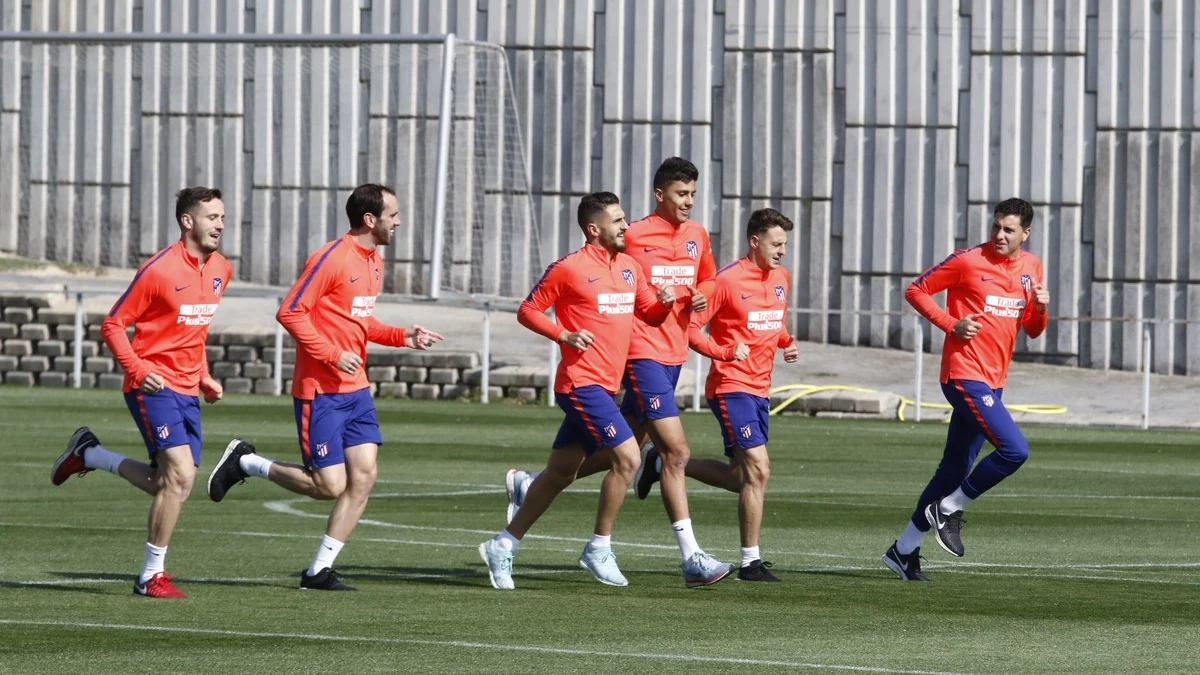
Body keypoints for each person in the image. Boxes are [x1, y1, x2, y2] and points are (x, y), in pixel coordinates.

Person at [504, 157, 735, 588]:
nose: (689, 202)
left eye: (693, 195)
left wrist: (693, 295)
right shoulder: (632, 237)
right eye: (682, 194)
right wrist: (569, 333)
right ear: (660, 194)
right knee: (677, 453)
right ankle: (690, 558)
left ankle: (530, 485)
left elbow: (708, 281)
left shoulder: (697, 235)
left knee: (618, 451)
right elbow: (604, 284)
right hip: (639, 355)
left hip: (673, 352)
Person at [205, 183, 444, 591]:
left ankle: (318, 570)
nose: (399, 222)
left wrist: (403, 334)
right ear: (371, 220)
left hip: (356, 391)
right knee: (329, 486)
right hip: (320, 392)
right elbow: (290, 311)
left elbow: (360, 321)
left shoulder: (373, 261)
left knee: (364, 478)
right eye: (394, 215)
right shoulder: (331, 258)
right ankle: (246, 463)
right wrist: (332, 355)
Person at [479, 191, 674, 590]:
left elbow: (651, 315)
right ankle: (598, 547)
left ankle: (502, 544)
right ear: (594, 228)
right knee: (628, 457)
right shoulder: (568, 268)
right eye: (618, 221)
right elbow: (528, 310)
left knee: (558, 474)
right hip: (580, 384)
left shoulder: (630, 268)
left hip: (607, 385)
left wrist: (667, 304)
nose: (625, 226)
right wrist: (563, 333)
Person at [50, 186, 233, 599]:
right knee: (182, 475)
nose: (220, 224)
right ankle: (150, 577)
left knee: (168, 484)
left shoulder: (222, 267)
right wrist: (137, 368)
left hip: (187, 388)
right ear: (188, 221)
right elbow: (113, 324)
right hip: (152, 386)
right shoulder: (160, 269)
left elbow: (194, 332)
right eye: (212, 217)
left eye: (222, 217)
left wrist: (204, 376)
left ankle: (89, 454)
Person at [882, 197, 1050, 581]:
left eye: (1009, 229)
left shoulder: (1032, 267)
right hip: (963, 374)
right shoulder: (967, 260)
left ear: (1026, 233)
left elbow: (1033, 329)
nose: (999, 235)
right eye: (996, 226)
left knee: (954, 468)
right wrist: (950, 323)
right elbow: (916, 290)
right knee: (1014, 450)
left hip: (994, 381)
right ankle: (949, 509)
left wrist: (1040, 308)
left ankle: (903, 550)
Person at [683, 208, 799, 583]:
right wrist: (724, 352)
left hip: (760, 390)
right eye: (776, 243)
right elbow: (691, 329)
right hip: (730, 387)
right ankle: (750, 562)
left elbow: (773, 321)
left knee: (741, 477)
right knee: (760, 469)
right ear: (755, 241)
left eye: (784, 244)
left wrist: (787, 341)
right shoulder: (726, 281)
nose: (782, 251)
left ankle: (664, 464)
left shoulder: (782, 277)